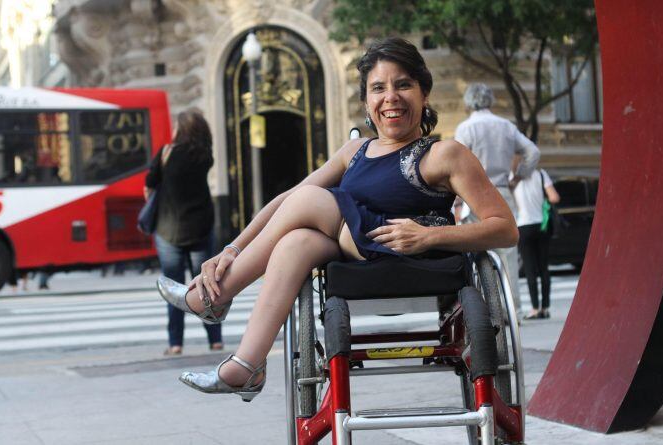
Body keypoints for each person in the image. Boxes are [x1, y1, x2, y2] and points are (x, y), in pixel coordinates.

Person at [157, 37, 518, 400]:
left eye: (403, 84)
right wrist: (231, 248)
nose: (390, 97)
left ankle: (215, 298)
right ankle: (247, 365)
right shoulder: (355, 150)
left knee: (312, 199)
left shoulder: (445, 153)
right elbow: (286, 200)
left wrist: (428, 236)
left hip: (410, 252)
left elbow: (505, 229)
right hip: (355, 250)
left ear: (424, 93)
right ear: (366, 102)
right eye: (378, 88)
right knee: (296, 241)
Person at [454, 83, 540, 313]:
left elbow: (456, 166)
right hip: (502, 191)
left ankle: (482, 309)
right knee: (508, 254)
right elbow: (533, 152)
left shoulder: (465, 128)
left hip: (474, 195)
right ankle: (515, 310)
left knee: (473, 249)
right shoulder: (505, 126)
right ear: (489, 100)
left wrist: (457, 200)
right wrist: (519, 176)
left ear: (469, 102)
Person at [145, 108, 223, 356]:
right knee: (206, 286)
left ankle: (175, 343)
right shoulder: (204, 156)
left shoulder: (167, 153)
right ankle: (215, 339)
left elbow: (149, 184)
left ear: (180, 130)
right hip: (200, 228)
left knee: (173, 288)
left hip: (169, 231)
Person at [512, 168, 560, 319]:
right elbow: (554, 197)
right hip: (541, 224)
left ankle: (534, 308)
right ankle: (545, 308)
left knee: (529, 268)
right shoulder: (541, 174)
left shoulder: (512, 176)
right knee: (543, 267)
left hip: (523, 225)